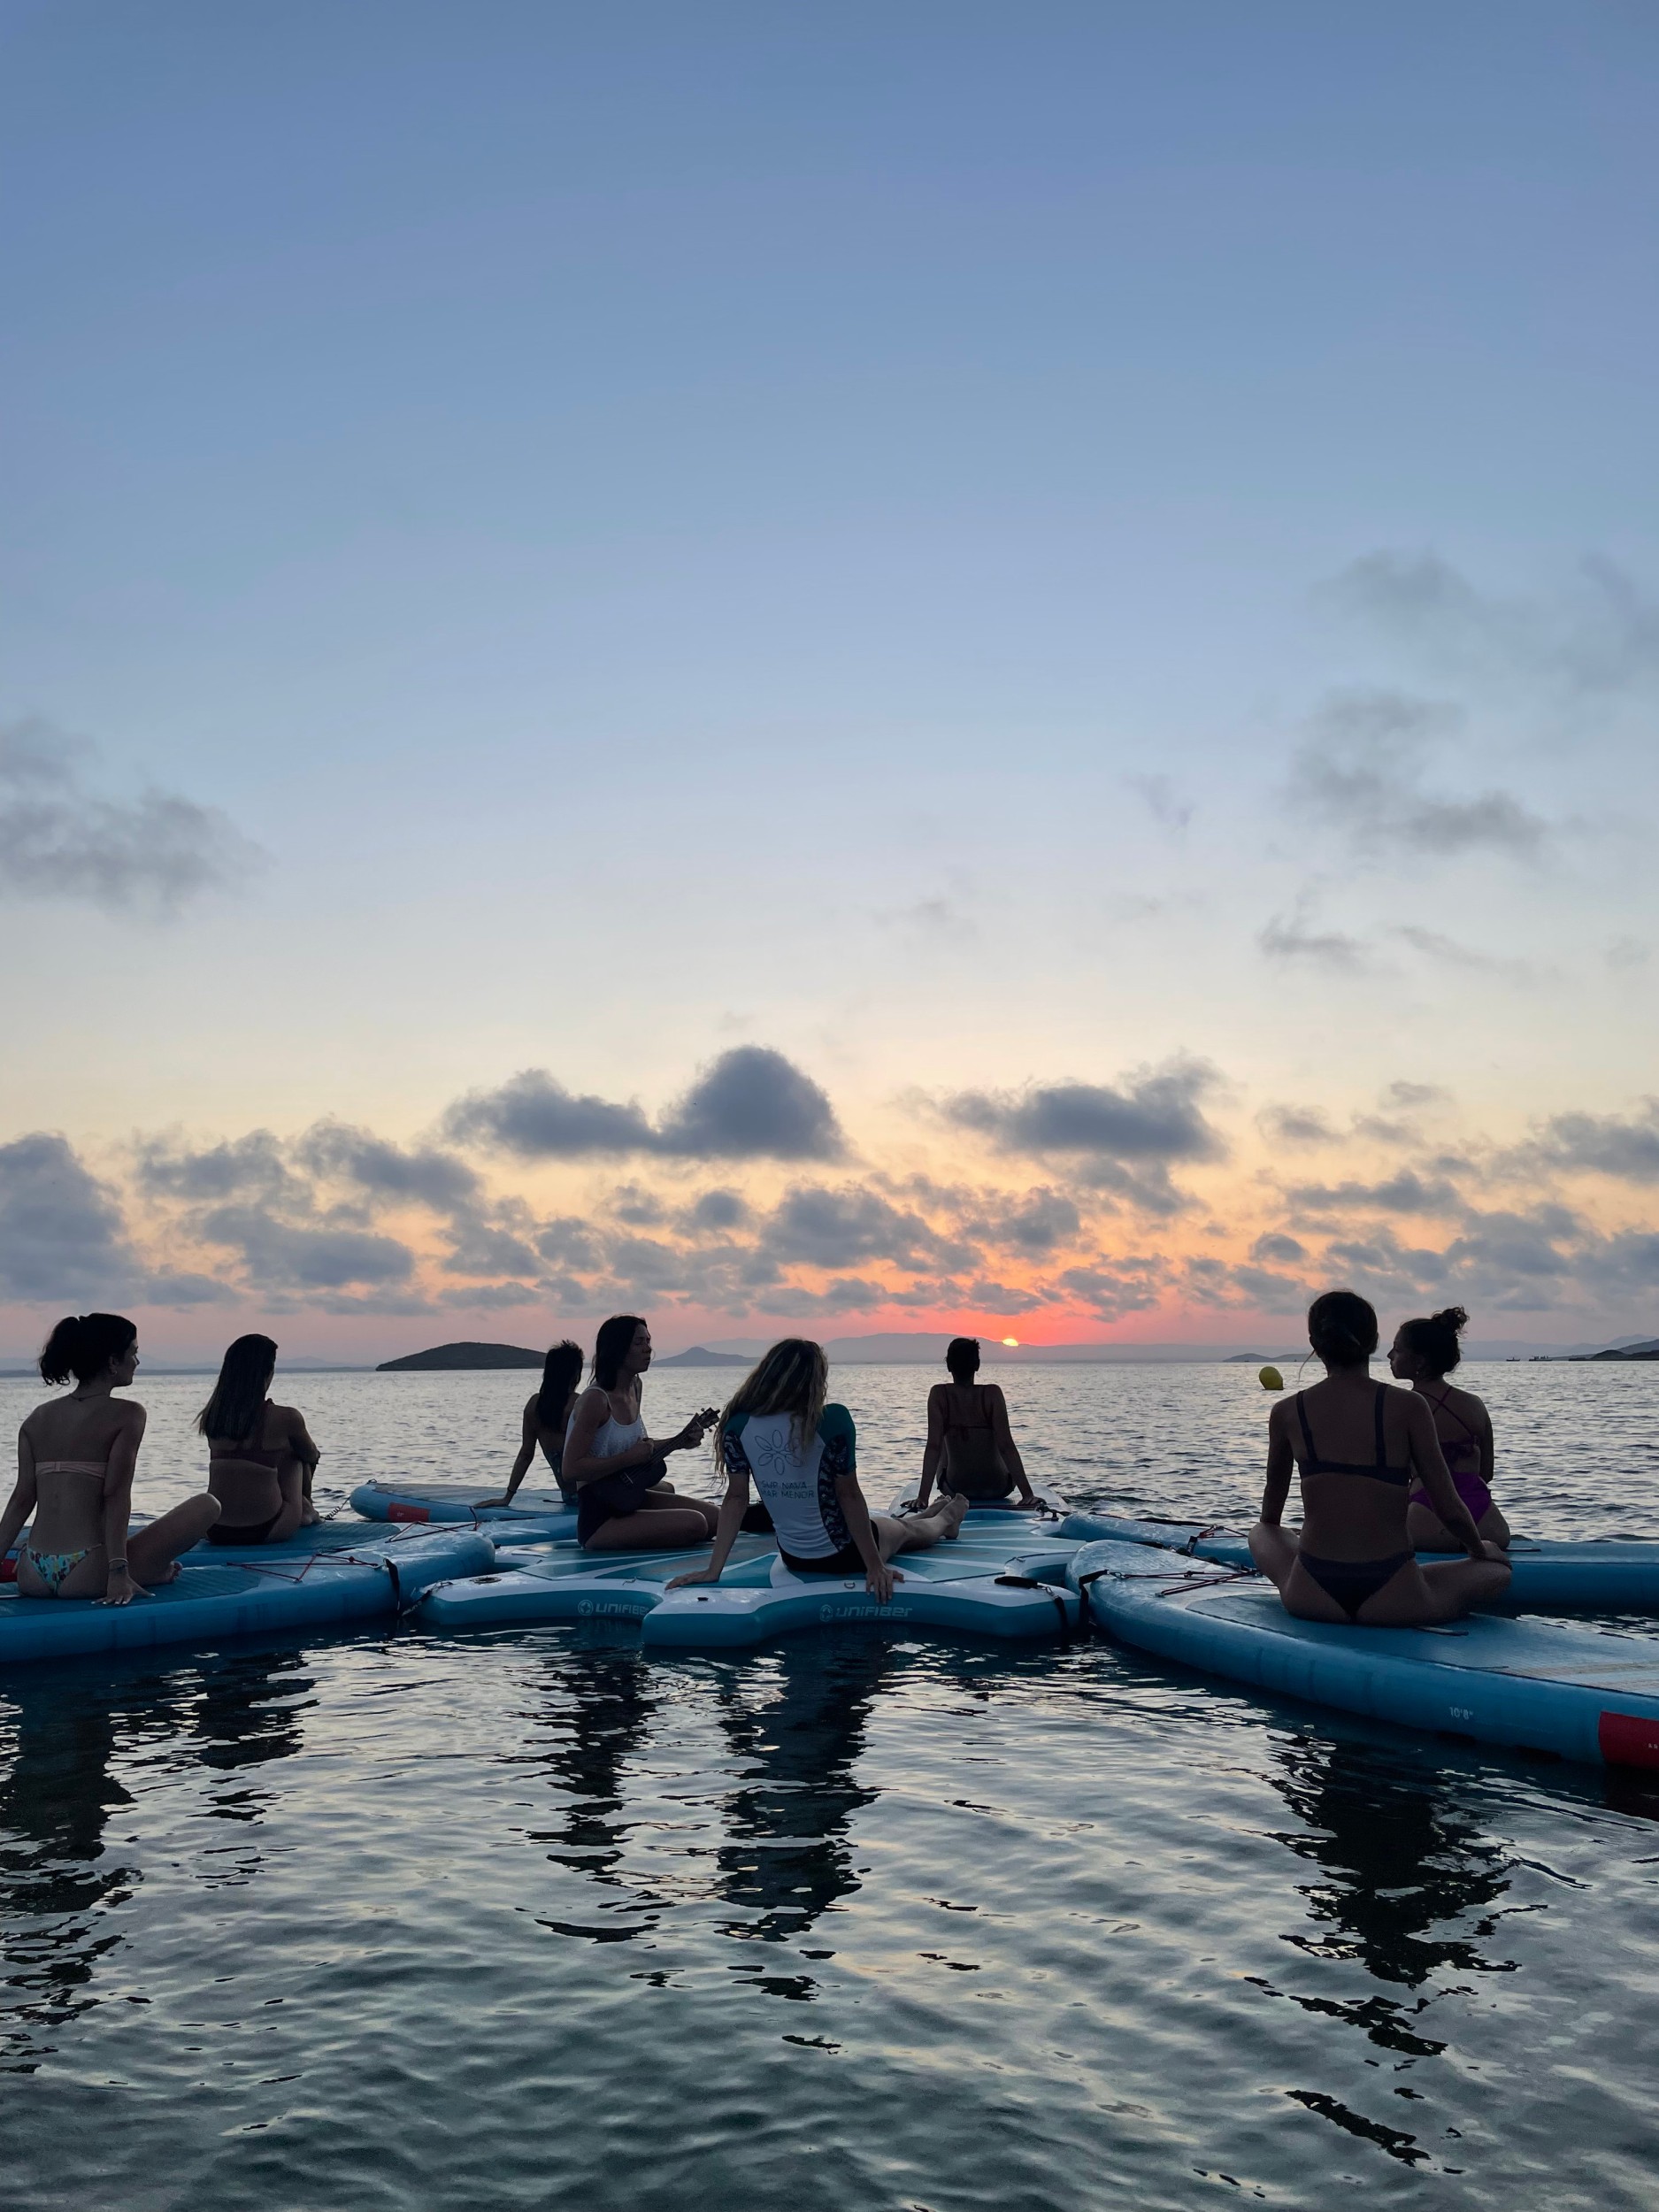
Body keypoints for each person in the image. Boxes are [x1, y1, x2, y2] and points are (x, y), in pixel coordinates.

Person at [1248, 1290, 1510, 1626]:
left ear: (1314, 1341)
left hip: (1311, 1594)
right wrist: (1479, 1549)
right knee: (1497, 1568)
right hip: (1394, 1597)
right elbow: (1448, 1506)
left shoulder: (1286, 1411)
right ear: (1373, 1341)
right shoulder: (1409, 1407)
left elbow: (1271, 1514)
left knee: (1261, 1531)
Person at [668, 1338, 966, 1601]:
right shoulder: (831, 1420)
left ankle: (932, 1511)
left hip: (795, 1558)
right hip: (847, 1554)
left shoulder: (738, 1425)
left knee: (892, 1526)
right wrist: (875, 1566)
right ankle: (949, 1516)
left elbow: (735, 1500)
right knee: (909, 1531)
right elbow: (848, 1496)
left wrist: (713, 1570)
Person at [0, 1314, 219, 1603]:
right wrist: (118, 1573)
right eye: (134, 1354)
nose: (137, 1363)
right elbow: (115, 1495)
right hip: (88, 1572)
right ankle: (153, 1571)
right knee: (208, 1505)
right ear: (113, 1362)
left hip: (32, 1572)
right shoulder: (128, 1414)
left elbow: (21, 1500)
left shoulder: (37, 1418)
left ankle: (153, 1570)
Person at [562, 1315, 722, 1552]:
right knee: (695, 1523)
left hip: (629, 1497)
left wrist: (678, 1441)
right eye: (639, 1343)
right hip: (600, 1517)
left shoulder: (635, 1387)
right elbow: (570, 1469)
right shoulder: (596, 1400)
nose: (648, 1350)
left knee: (718, 1518)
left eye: (648, 1341)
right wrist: (626, 1459)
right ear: (617, 1349)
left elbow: (638, 1449)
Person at [1389, 1306, 1511, 1551]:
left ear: (1420, 1361)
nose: (1390, 1355)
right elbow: (1486, 1473)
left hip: (1426, 1514)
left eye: (1398, 1350)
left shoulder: (1400, 1407)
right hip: (1487, 1522)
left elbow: (1389, 1481)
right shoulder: (1474, 1404)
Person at [198, 1334, 323, 1546]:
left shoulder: (212, 1416)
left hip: (215, 1529)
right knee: (296, 1455)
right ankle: (306, 1509)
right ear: (267, 1372)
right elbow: (312, 1455)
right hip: (269, 1529)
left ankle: (302, 1507)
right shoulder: (287, 1417)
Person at [914, 1337, 1039, 1509]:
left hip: (956, 1488)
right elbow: (1006, 1446)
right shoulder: (992, 1394)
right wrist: (1028, 1495)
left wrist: (923, 1498)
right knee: (998, 1440)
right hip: (998, 1487)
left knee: (940, 1439)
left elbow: (933, 1447)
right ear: (977, 1365)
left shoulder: (939, 1394)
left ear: (949, 1365)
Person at [480, 1340, 584, 1510]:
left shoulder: (534, 1406)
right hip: (594, 1496)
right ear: (575, 1373)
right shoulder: (580, 1404)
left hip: (570, 1497)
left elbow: (526, 1455)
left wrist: (507, 1496)